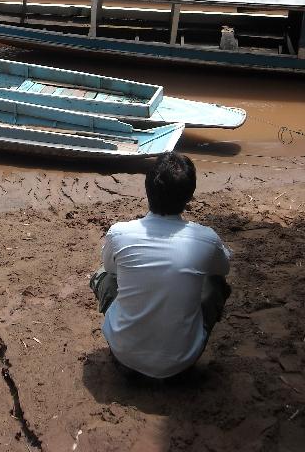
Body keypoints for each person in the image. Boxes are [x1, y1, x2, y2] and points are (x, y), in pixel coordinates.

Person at [90, 152, 231, 380]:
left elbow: (109, 268)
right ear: (189, 197)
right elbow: (222, 269)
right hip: (183, 363)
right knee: (215, 283)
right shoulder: (206, 238)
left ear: (147, 190)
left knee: (104, 275)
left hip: (125, 357)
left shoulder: (119, 233)